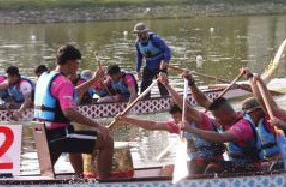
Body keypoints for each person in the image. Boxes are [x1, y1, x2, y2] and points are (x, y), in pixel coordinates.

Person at [33, 44, 114, 178]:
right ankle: (104, 185)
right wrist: (98, 125)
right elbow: (69, 113)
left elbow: (72, 93)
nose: (78, 67)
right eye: (77, 63)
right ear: (70, 63)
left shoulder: (45, 77)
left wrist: (94, 80)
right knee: (107, 141)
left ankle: (79, 178)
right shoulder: (65, 83)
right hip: (58, 136)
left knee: (47, 176)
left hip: (40, 133)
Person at [160, 71, 259, 174]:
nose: (216, 121)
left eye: (217, 117)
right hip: (237, 165)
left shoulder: (242, 126)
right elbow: (202, 101)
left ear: (225, 113)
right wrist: (191, 83)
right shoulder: (228, 118)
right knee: (173, 168)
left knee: (213, 167)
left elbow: (222, 138)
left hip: (251, 167)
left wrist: (193, 130)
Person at [114, 104, 225, 175]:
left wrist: (167, 86)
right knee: (167, 169)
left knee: (198, 162)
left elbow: (187, 105)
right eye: (174, 118)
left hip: (213, 162)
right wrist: (126, 120)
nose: (175, 121)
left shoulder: (203, 122)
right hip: (196, 163)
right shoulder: (177, 126)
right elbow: (152, 125)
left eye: (177, 117)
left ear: (187, 114)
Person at [133, 23, 171, 93]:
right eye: (137, 34)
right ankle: (144, 100)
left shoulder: (155, 39)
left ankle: (166, 99)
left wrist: (166, 61)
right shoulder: (137, 43)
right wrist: (137, 71)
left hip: (160, 67)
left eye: (140, 33)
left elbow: (167, 50)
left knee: (162, 86)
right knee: (144, 87)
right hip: (149, 67)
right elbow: (139, 56)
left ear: (145, 32)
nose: (139, 36)